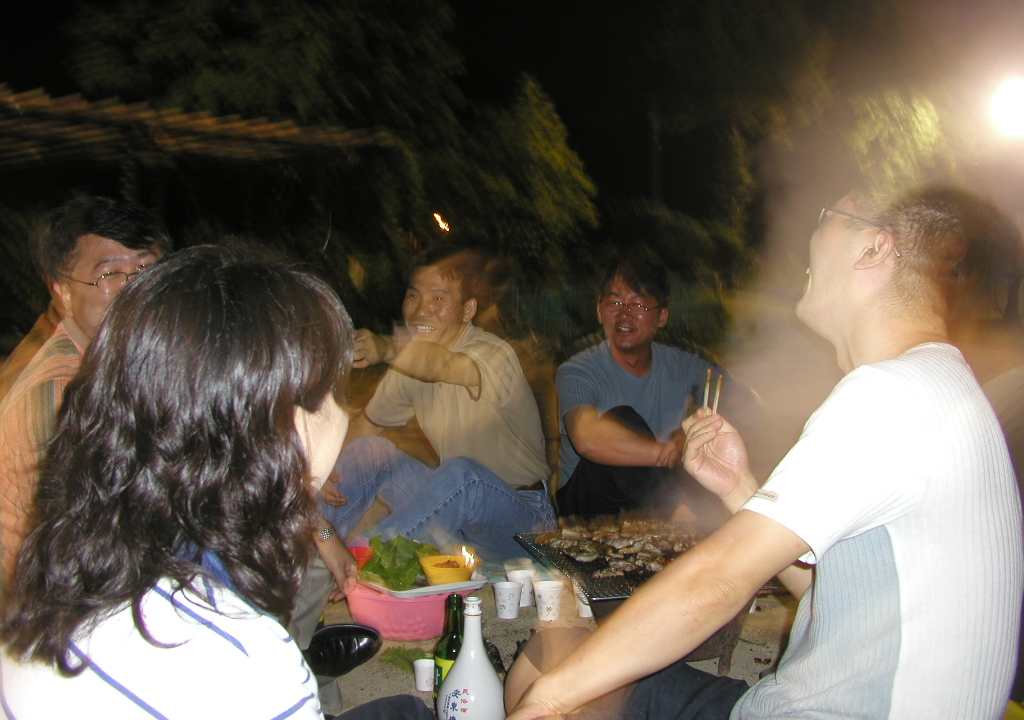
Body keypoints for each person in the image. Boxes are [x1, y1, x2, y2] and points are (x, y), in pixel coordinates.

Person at [507, 187, 1023, 720]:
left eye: (827, 218)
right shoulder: (943, 386)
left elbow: (717, 580)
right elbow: (833, 594)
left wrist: (550, 701)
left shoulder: (888, 394)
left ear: (874, 249)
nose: (810, 236)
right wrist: (740, 489)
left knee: (549, 669)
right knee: (561, 649)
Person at [0, 245, 433, 720]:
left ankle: (312, 660)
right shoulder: (250, 662)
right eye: (334, 391)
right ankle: (309, 666)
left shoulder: (69, 564)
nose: (342, 412)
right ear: (290, 426)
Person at [322, 243, 553, 561]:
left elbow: (445, 365)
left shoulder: (493, 353)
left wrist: (386, 346)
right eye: (414, 295)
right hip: (458, 522)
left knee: (463, 475)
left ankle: (366, 562)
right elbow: (366, 425)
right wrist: (324, 472)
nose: (420, 310)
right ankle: (314, 547)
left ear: (467, 310)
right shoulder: (409, 366)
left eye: (439, 298)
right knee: (370, 452)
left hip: (524, 525)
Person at [0, 195, 170, 583]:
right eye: (109, 274)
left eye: (146, 268)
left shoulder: (124, 363)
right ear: (63, 292)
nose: (133, 286)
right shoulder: (58, 395)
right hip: (49, 599)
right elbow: (78, 549)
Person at [555, 250, 759, 526]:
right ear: (600, 310)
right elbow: (587, 437)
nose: (624, 314)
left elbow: (743, 403)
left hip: (656, 499)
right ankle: (682, 518)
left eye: (638, 304)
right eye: (614, 302)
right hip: (589, 507)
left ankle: (693, 518)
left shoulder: (683, 365)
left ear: (662, 316)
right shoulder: (577, 370)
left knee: (708, 441)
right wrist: (673, 454)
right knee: (622, 419)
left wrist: (694, 437)